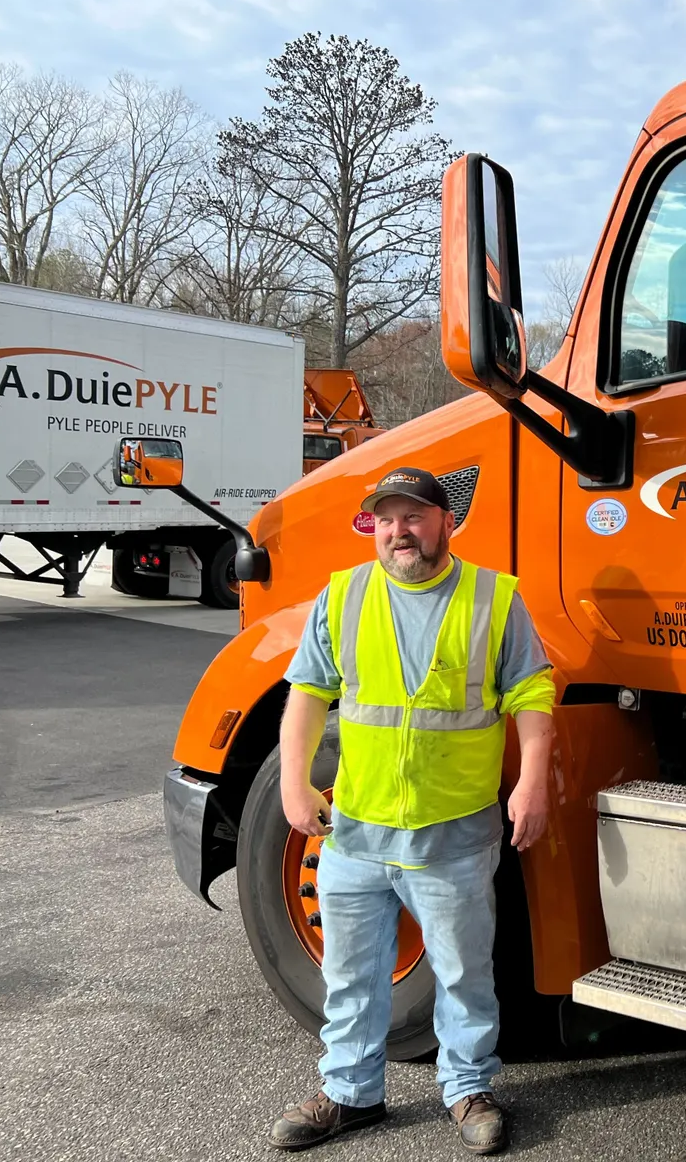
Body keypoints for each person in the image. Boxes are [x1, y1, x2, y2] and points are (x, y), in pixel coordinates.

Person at [266, 466, 555, 1155]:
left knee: (463, 972)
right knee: (351, 973)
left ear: (444, 522)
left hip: (451, 832)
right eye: (385, 518)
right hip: (357, 829)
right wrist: (294, 786)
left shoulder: (493, 597)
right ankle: (350, 1093)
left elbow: (532, 695)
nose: (399, 530)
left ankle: (467, 1089)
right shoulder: (343, 595)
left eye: (413, 516)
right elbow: (307, 692)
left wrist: (534, 782)